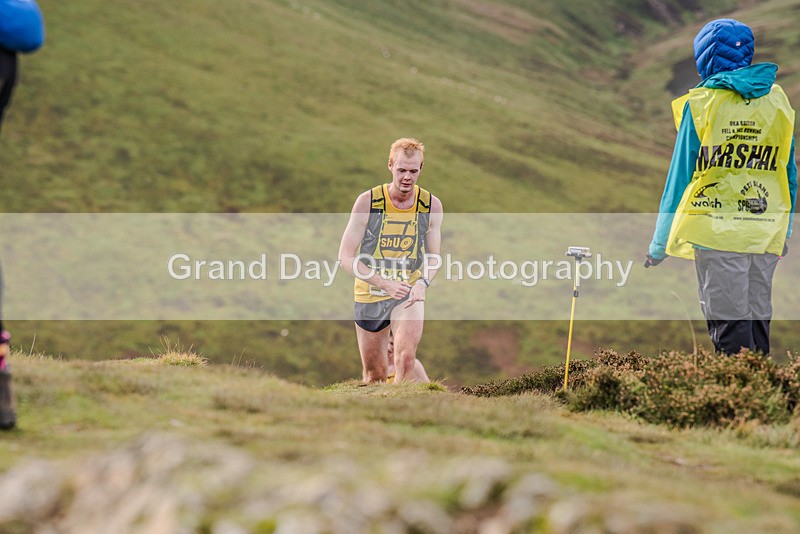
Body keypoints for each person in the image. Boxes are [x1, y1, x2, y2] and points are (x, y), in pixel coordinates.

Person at [645, 19, 797, 356]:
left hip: (716, 232)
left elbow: (679, 178)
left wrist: (658, 245)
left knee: (729, 327)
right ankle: (757, 400)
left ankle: (734, 400)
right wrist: (784, 231)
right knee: (758, 321)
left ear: (705, 58)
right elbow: (788, 172)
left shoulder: (701, 104)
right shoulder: (778, 102)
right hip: (764, 230)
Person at [339, 138, 443, 383]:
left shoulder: (430, 206)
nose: (407, 177)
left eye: (413, 171)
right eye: (402, 170)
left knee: (405, 359)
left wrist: (422, 284)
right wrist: (383, 283)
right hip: (369, 293)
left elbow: (434, 257)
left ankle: (401, 410)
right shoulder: (368, 202)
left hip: (408, 292)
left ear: (421, 169)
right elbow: (345, 257)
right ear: (390, 166)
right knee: (374, 375)